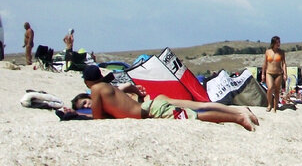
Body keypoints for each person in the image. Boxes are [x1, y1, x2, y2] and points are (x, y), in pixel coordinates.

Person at [82, 64, 258, 130]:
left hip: (151, 109)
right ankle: (238, 113)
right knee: (197, 107)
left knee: (197, 115)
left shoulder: (96, 89)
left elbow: (98, 117)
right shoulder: (107, 86)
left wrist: (83, 115)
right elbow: (129, 88)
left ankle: (237, 117)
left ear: (88, 82)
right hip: (151, 105)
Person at [262, 36, 286, 113]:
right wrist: (263, 74)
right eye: (277, 42)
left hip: (278, 73)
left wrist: (285, 73)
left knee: (277, 90)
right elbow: (265, 63)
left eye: (279, 42)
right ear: (273, 43)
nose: (279, 44)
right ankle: (269, 104)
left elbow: (284, 64)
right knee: (270, 88)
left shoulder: (281, 52)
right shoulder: (268, 52)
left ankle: (275, 106)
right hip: (269, 72)